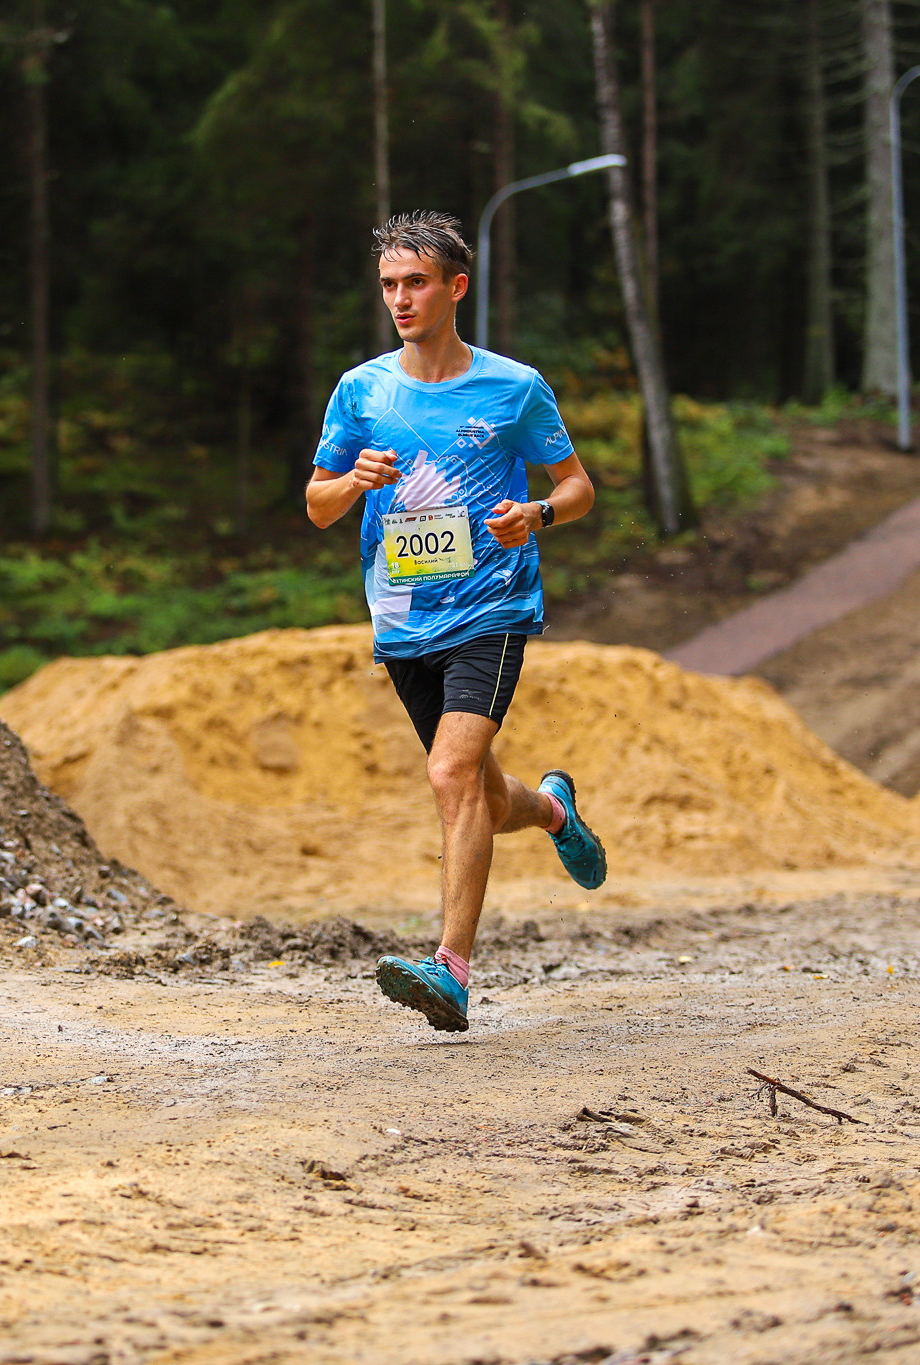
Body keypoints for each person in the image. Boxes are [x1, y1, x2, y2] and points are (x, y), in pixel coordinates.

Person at [305, 210, 606, 1034]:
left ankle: (452, 970)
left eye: (416, 283)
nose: (400, 299)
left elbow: (578, 485)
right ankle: (550, 810)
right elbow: (317, 506)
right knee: (478, 786)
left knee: (448, 775)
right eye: (389, 286)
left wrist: (539, 513)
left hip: (494, 609)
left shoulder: (513, 387)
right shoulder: (362, 391)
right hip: (404, 619)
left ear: (454, 288)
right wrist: (355, 481)